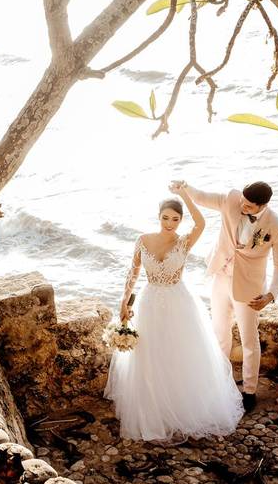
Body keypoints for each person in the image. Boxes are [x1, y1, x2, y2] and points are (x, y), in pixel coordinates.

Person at [104, 184, 244, 442]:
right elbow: (133, 271)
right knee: (150, 354)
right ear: (158, 216)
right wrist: (125, 301)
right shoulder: (143, 240)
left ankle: (181, 406)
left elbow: (201, 222)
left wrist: (184, 196)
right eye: (166, 217)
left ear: (181, 220)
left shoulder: (184, 241)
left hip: (179, 303)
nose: (170, 223)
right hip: (148, 302)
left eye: (176, 219)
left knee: (179, 353)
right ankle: (153, 410)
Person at [174, 180, 278, 413]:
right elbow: (202, 196)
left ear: (263, 205)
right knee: (220, 332)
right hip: (220, 278)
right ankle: (220, 382)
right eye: (242, 203)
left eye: (248, 206)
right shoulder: (232, 199)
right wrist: (184, 187)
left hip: (249, 289)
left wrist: (271, 295)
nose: (242, 207)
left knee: (249, 340)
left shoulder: (277, 226)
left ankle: (249, 390)